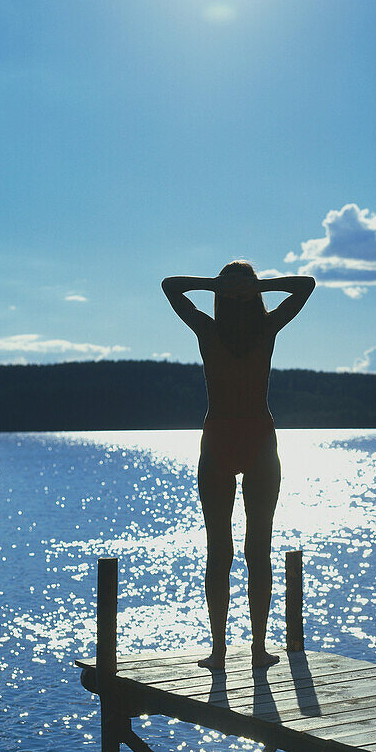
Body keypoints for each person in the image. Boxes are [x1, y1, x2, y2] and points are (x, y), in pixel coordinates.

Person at [161, 262, 315, 670]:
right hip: (221, 444)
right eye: (228, 289)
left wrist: (248, 286)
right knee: (220, 551)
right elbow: (169, 285)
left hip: (258, 444)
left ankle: (258, 648)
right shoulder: (208, 330)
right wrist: (224, 285)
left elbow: (306, 285)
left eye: (243, 288)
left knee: (256, 551)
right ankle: (217, 650)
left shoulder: (266, 328)